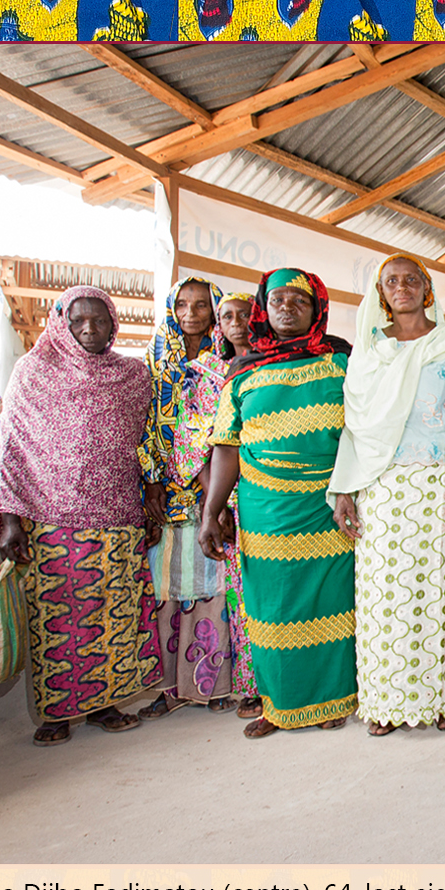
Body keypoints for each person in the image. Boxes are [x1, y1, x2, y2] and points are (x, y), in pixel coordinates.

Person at [0, 286, 163, 745]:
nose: (90, 330)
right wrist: (12, 522)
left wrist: (152, 502)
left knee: (114, 616)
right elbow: (13, 450)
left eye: (100, 320)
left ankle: (108, 704)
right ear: (61, 320)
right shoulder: (32, 372)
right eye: (79, 320)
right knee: (58, 622)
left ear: (114, 323)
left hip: (118, 517)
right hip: (52, 520)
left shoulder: (133, 375)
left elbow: (148, 442)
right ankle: (56, 714)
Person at [200, 268, 356, 737]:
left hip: (329, 504)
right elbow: (226, 445)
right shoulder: (242, 372)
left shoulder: (340, 362)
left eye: (299, 301)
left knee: (330, 604)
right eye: (278, 300)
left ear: (317, 310)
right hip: (265, 509)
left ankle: (334, 700)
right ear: (262, 310)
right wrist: (212, 511)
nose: (287, 307)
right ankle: (279, 705)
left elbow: (361, 430)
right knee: (271, 607)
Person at [331, 254, 445, 736]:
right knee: (384, 597)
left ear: (427, 289)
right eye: (392, 281)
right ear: (380, 291)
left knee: (440, 592)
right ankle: (386, 703)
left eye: (412, 279)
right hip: (382, 487)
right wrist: (345, 489)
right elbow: (353, 427)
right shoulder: (368, 352)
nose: (402, 287)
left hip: (441, 481)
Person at [138, 277, 235, 721]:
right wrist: (153, 478)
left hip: (214, 492)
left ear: (214, 309)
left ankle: (212, 685)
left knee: (213, 587)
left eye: (201, 305)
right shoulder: (154, 361)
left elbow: (227, 428)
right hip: (167, 494)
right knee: (167, 590)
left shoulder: (227, 359)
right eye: (182, 304)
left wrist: (209, 492)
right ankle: (169, 689)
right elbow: (142, 424)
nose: (191, 312)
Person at [181, 291, 260, 717]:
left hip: (276, 492)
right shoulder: (205, 374)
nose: (237, 322)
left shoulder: (274, 362)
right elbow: (196, 441)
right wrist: (218, 503)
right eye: (227, 315)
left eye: (245, 314)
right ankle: (252, 686)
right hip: (228, 497)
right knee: (243, 595)